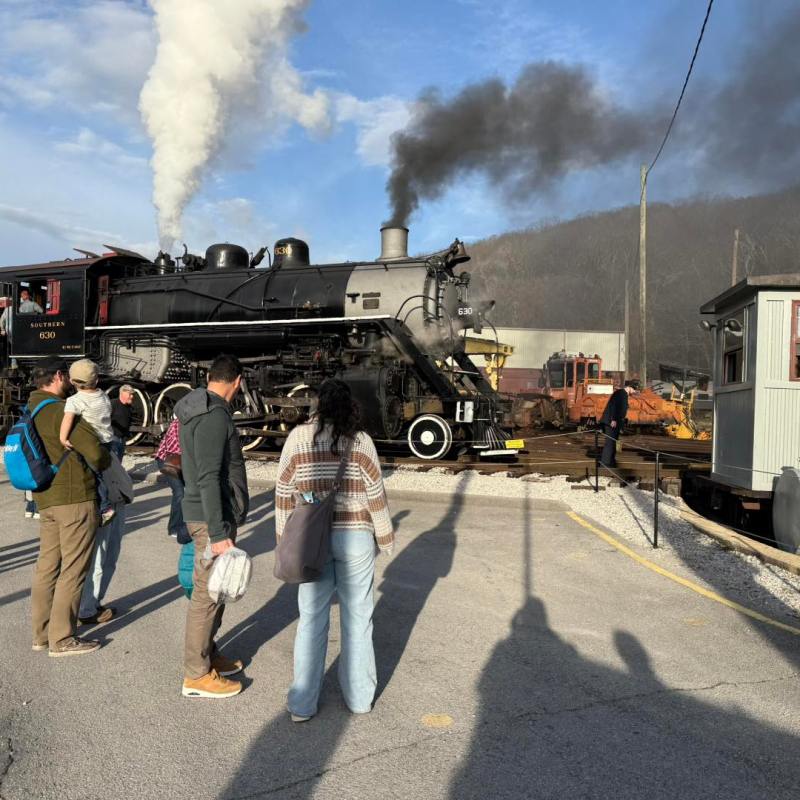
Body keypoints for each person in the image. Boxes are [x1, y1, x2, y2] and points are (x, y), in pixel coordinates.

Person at [276, 379, 394, 722]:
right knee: (359, 618)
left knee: (311, 619)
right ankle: (359, 699)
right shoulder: (361, 441)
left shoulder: (298, 438)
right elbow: (376, 494)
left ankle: (302, 704)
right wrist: (385, 540)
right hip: (356, 536)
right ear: (350, 406)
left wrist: (285, 537)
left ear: (318, 405)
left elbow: (284, 490)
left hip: (313, 540)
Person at [175, 354, 249, 699]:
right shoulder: (213, 416)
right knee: (206, 596)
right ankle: (196, 675)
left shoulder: (203, 409)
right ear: (237, 381)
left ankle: (208, 653)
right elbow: (207, 477)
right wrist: (218, 534)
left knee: (215, 591)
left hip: (212, 514)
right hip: (209, 518)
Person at [29, 356, 110, 657]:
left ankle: (41, 635)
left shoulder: (32, 408)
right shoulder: (59, 410)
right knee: (73, 570)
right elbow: (96, 453)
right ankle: (62, 639)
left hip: (46, 498)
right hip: (75, 498)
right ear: (60, 376)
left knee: (47, 567)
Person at [59, 359, 116, 526]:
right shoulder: (104, 396)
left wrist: (63, 438)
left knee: (95, 476)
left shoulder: (75, 401)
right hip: (107, 440)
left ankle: (105, 508)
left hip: (91, 443)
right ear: (96, 380)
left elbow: (68, 419)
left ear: (71, 380)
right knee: (101, 472)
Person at [154, 417, 189, 542]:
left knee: (190, 492)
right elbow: (175, 447)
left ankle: (187, 523)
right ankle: (174, 527)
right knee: (179, 492)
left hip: (184, 461)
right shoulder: (179, 423)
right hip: (169, 461)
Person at [599, 381, 636, 469]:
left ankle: (611, 462)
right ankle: (605, 464)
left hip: (614, 422)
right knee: (610, 443)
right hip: (611, 422)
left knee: (613, 442)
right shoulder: (621, 394)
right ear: (630, 387)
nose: (634, 392)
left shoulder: (622, 394)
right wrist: (613, 419)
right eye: (634, 390)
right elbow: (614, 406)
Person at [109, 384, 135, 460]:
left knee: (119, 460)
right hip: (113, 437)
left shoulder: (129, 407)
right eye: (130, 394)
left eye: (132, 394)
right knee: (114, 461)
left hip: (123, 438)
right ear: (122, 393)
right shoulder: (112, 404)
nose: (132, 396)